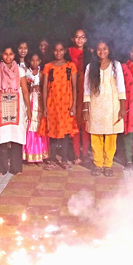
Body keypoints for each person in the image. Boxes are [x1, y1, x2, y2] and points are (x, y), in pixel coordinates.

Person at [0, 45, 32, 175]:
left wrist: (28, 109)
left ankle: (16, 167)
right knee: (1, 137)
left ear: (14, 55)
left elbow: (25, 91)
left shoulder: (20, 70)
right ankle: (1, 167)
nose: (8, 56)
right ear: (1, 54)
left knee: (17, 137)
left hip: (17, 108)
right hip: (0, 108)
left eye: (11, 54)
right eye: (5, 54)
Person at [83, 40, 126, 177]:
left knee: (110, 136)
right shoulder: (90, 67)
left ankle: (108, 165)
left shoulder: (115, 65)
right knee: (95, 136)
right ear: (95, 51)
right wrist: (85, 108)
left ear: (109, 50)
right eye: (99, 49)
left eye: (105, 49)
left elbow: (121, 86)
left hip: (112, 106)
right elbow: (87, 88)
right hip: (96, 107)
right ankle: (97, 164)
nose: (102, 52)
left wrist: (123, 106)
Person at [41, 41, 78, 170]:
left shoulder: (70, 66)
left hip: (66, 104)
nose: (58, 52)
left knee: (65, 133)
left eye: (61, 50)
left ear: (65, 51)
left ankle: (64, 159)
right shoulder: (48, 67)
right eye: (56, 50)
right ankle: (52, 159)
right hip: (52, 104)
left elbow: (74, 87)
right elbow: (45, 87)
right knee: (52, 132)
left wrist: (73, 105)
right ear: (53, 51)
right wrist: (45, 106)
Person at [68, 29, 92, 165]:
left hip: (86, 90)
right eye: (77, 37)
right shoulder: (68, 52)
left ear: (86, 39)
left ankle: (85, 154)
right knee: (75, 124)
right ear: (73, 39)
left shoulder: (89, 54)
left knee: (85, 123)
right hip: (71, 90)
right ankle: (76, 154)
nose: (80, 40)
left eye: (82, 37)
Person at [23, 52, 49, 163]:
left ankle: (39, 153)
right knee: (28, 125)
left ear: (40, 61)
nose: (34, 62)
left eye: (37, 60)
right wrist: (30, 87)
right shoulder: (25, 72)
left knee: (38, 125)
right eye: (32, 60)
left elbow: (45, 87)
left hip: (38, 102)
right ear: (29, 61)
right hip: (29, 101)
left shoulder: (42, 73)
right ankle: (29, 153)